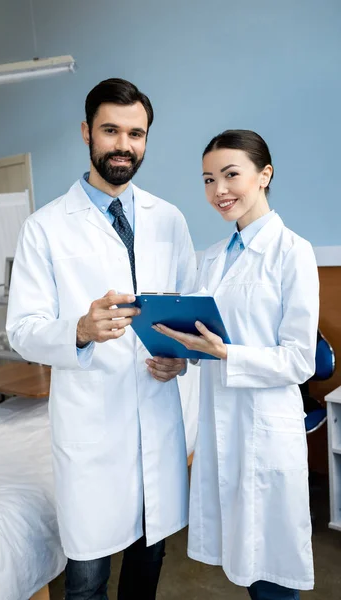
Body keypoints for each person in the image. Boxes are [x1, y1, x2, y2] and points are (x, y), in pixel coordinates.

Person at [6, 78, 197, 600]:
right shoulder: (45, 227)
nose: (123, 145)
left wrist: (179, 359)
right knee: (87, 576)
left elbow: (190, 312)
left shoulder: (170, 220)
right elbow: (21, 330)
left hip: (155, 414)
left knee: (148, 560)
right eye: (111, 130)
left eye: (136, 133)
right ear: (87, 132)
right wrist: (80, 331)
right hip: (91, 425)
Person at [153, 130, 319, 600]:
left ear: (264, 175)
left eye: (230, 175)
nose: (218, 191)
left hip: (266, 426)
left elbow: (299, 358)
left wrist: (229, 353)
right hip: (222, 424)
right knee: (245, 560)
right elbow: (207, 342)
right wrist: (181, 361)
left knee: (272, 563)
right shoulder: (212, 260)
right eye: (208, 180)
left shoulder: (293, 252)